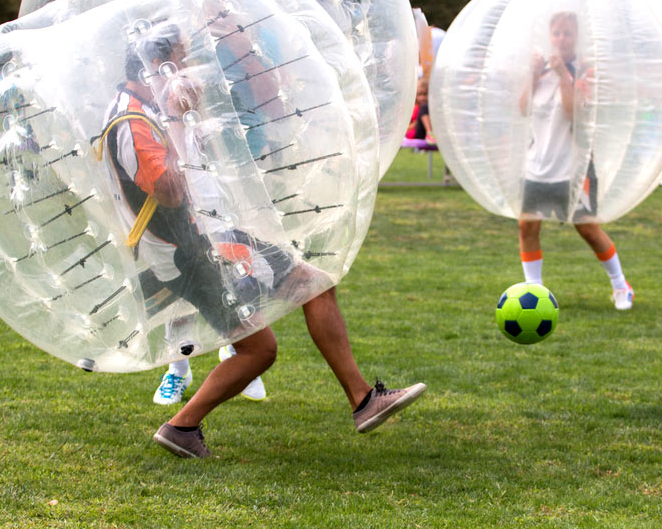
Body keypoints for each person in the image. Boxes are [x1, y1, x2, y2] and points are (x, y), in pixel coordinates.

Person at [100, 25, 425, 458]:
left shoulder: (138, 108)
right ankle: (184, 425)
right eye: (181, 62)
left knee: (291, 311)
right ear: (159, 67)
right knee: (270, 337)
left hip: (196, 243)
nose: (192, 72)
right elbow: (170, 190)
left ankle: (361, 400)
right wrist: (178, 117)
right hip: (190, 253)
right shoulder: (133, 120)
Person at [517, 12, 633, 310]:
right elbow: (522, 109)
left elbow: (574, 115)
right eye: (556, 33)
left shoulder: (585, 72)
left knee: (588, 229)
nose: (561, 39)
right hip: (538, 165)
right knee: (527, 226)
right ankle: (535, 291)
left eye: (567, 33)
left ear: (577, 37)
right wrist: (532, 74)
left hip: (573, 167)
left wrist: (564, 76)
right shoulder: (540, 71)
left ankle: (621, 285)